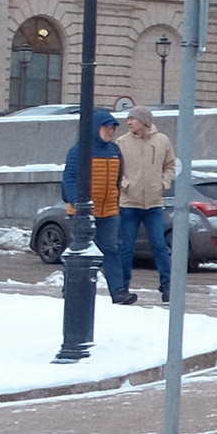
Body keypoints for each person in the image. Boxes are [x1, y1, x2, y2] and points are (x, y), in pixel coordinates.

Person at [107, 99, 180, 305]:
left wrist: (163, 183)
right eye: (128, 118)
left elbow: (170, 165)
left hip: (154, 204)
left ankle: (167, 287)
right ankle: (123, 288)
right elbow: (116, 169)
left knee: (159, 245)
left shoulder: (162, 141)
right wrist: (125, 184)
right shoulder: (122, 142)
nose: (129, 122)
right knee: (126, 248)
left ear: (145, 121)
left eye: (133, 118)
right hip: (129, 203)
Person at [58, 108, 123, 314]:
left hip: (109, 211)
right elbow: (69, 178)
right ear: (95, 128)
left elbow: (118, 179)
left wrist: (115, 198)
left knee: (111, 250)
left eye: (112, 128)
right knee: (78, 252)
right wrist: (78, 204)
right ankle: (70, 290)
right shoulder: (79, 150)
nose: (110, 132)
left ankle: (119, 292)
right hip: (83, 211)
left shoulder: (114, 150)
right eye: (107, 127)